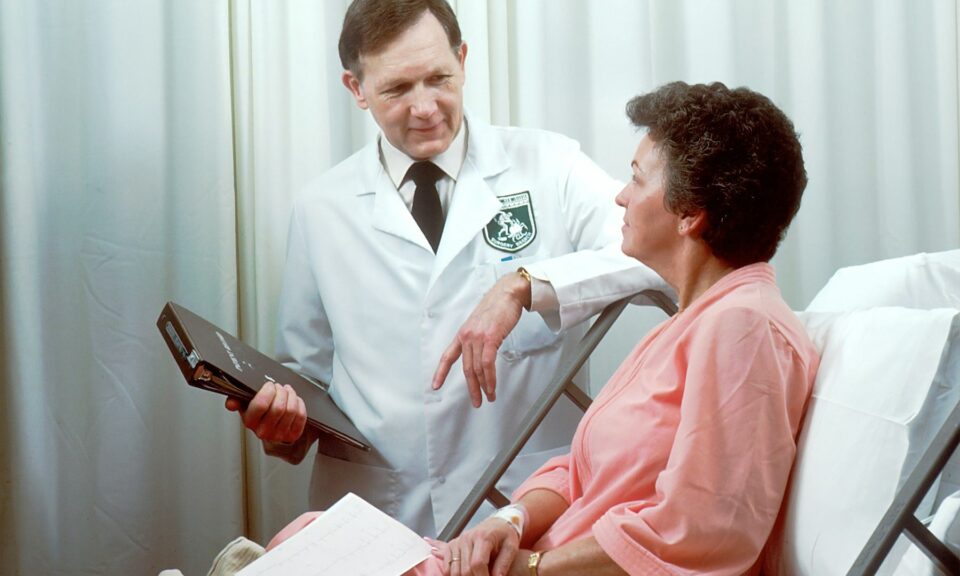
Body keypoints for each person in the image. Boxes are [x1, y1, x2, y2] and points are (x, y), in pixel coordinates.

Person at [262, 81, 818, 575]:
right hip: (524, 550)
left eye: (636, 178)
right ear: (356, 87)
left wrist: (532, 565)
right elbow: (580, 469)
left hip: (549, 568)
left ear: (689, 214)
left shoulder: (743, 327)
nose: (620, 196)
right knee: (313, 535)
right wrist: (510, 519)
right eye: (397, 88)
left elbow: (702, 533)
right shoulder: (692, 324)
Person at [226, 0, 666, 537]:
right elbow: (306, 380)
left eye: (439, 78)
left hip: (523, 511)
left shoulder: (550, 165)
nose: (426, 107)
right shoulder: (321, 207)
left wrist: (525, 286)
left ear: (463, 59)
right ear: (356, 89)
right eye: (396, 89)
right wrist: (281, 427)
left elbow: (660, 258)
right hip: (380, 518)